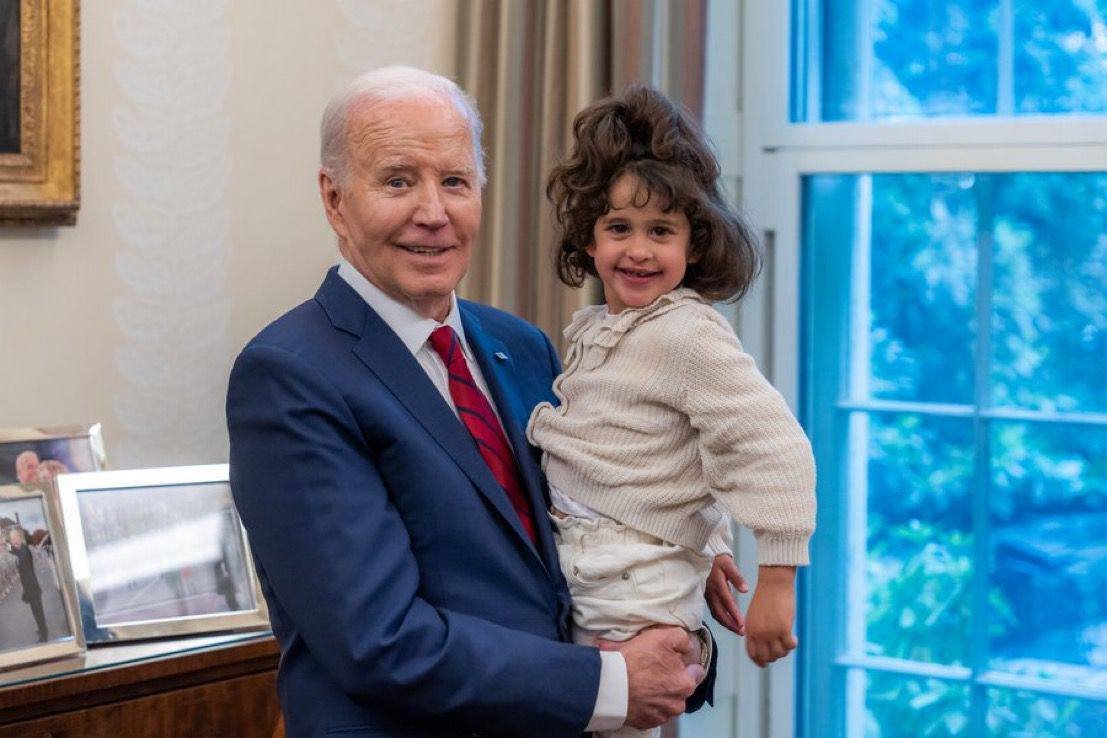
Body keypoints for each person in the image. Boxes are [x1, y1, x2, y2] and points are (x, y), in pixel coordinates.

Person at [226, 67, 717, 738]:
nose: (433, 212)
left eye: (454, 181)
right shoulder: (288, 375)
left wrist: (680, 625)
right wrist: (611, 684)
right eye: (398, 180)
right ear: (334, 198)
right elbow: (380, 641)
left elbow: (588, 532)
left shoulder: (524, 347)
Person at [527, 86, 818, 738]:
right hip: (591, 574)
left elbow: (770, 447)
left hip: (633, 596)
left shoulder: (687, 334)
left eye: (660, 231)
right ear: (589, 239)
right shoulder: (591, 330)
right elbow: (676, 454)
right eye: (617, 228)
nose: (637, 249)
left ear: (693, 245)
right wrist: (708, 545)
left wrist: (777, 583)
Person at [8, 527, 48, 642]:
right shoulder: (21, 549)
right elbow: (16, 553)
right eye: (12, 539)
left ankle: (44, 634)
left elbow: (18, 553)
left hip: (33, 587)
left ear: (20, 538)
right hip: (29, 588)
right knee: (35, 611)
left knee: (38, 611)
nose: (14, 540)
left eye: (15, 537)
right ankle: (41, 628)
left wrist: (6, 545)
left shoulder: (24, 551)